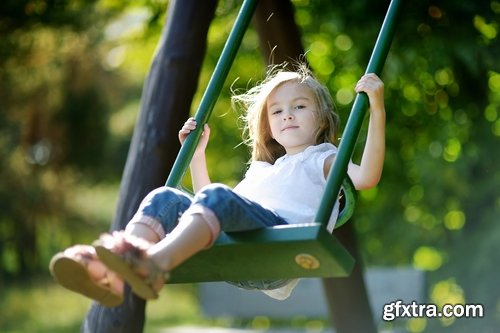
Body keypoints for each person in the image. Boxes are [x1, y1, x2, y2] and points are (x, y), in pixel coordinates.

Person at [49, 64, 386, 306]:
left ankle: (153, 265)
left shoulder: (325, 158)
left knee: (216, 197)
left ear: (322, 118)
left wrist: (376, 107)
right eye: (278, 111)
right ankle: (123, 261)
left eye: (299, 106)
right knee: (166, 197)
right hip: (237, 255)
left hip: (279, 253)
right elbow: (210, 211)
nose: (287, 115)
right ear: (268, 126)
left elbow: (367, 177)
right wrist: (197, 156)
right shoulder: (262, 171)